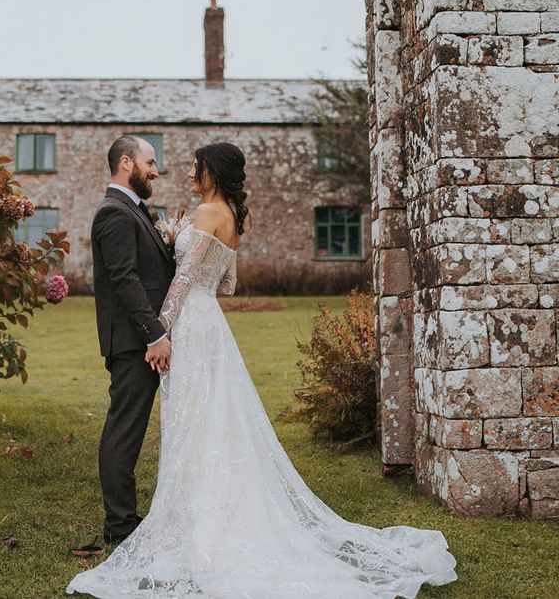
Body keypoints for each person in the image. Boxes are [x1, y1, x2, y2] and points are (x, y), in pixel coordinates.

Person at [68, 142, 457, 598]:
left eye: (195, 167)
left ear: (211, 172)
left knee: (194, 422)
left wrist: (162, 330)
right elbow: (225, 284)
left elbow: (180, 282)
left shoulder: (203, 213)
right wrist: (176, 287)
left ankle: (187, 517)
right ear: (129, 163)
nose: (179, 171)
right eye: (154, 162)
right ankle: (176, 515)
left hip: (187, 326)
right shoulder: (228, 216)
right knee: (212, 420)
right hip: (209, 323)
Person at [90, 135, 175, 545]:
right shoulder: (114, 213)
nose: (155, 170)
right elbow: (125, 281)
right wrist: (154, 334)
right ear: (127, 162)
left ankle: (125, 520)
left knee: (131, 428)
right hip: (133, 342)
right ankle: (120, 526)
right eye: (150, 161)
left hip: (144, 339)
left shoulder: (135, 210)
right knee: (125, 429)